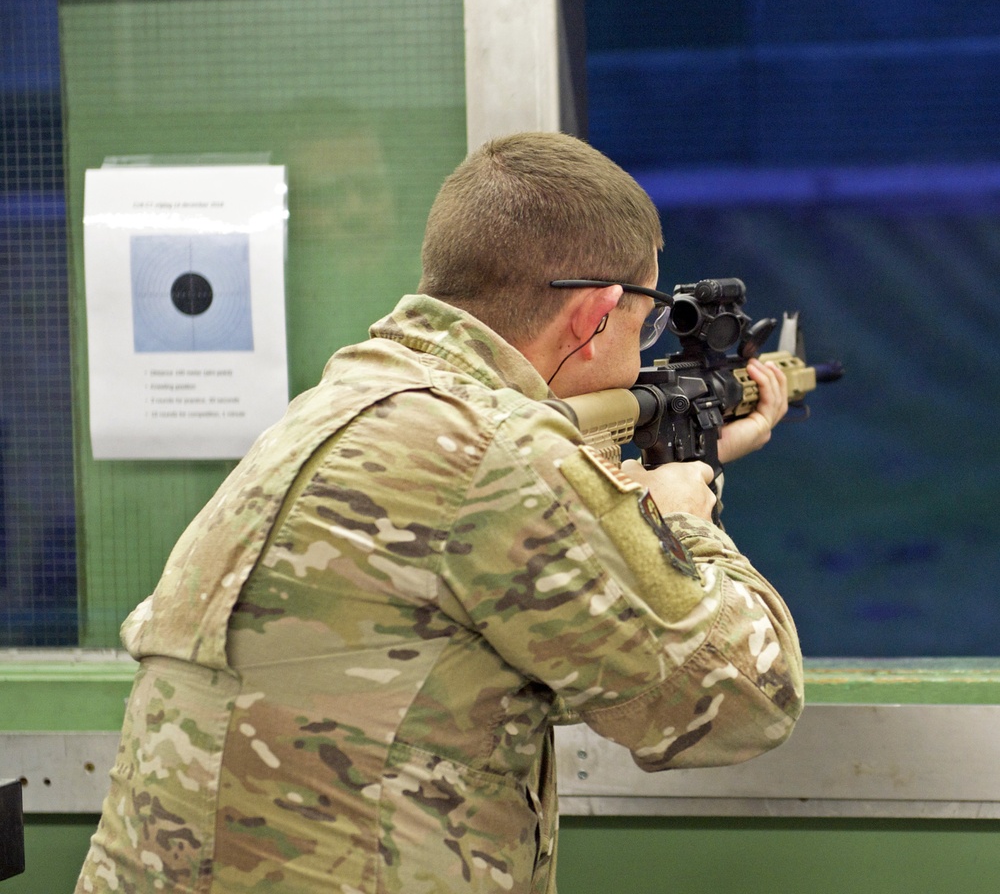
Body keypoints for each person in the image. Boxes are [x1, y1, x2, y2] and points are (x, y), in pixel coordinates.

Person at [75, 131, 802, 894]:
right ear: (595, 315)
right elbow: (746, 701)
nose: (646, 346)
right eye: (646, 323)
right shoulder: (507, 449)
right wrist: (681, 518)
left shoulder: (331, 405)